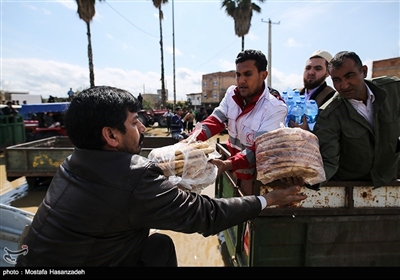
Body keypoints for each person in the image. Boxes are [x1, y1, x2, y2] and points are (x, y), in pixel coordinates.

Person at [15, 86, 306, 267]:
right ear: (111, 135)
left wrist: (212, 167)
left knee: (154, 246)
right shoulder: (134, 177)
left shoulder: (71, 162)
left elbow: (152, 190)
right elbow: (206, 214)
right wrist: (268, 199)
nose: (142, 128)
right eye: (133, 122)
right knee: (160, 247)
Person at [191, 49, 290, 194]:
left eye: (248, 74)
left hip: (254, 178)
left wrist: (226, 164)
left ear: (263, 75)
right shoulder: (232, 93)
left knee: (246, 212)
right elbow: (215, 121)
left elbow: (258, 149)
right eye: (238, 74)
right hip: (233, 169)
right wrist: (191, 140)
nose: (241, 80)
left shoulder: (275, 107)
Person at [312, 51, 400, 189]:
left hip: (392, 177)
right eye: (337, 80)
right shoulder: (329, 115)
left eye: (349, 76)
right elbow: (329, 162)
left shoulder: (394, 89)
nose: (344, 85)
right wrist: (310, 181)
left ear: (363, 71)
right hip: (352, 185)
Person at [289, 50, 336, 130]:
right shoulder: (295, 93)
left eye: (318, 69)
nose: (311, 72)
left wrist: (309, 131)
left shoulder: (331, 97)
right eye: (308, 68)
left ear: (328, 73)